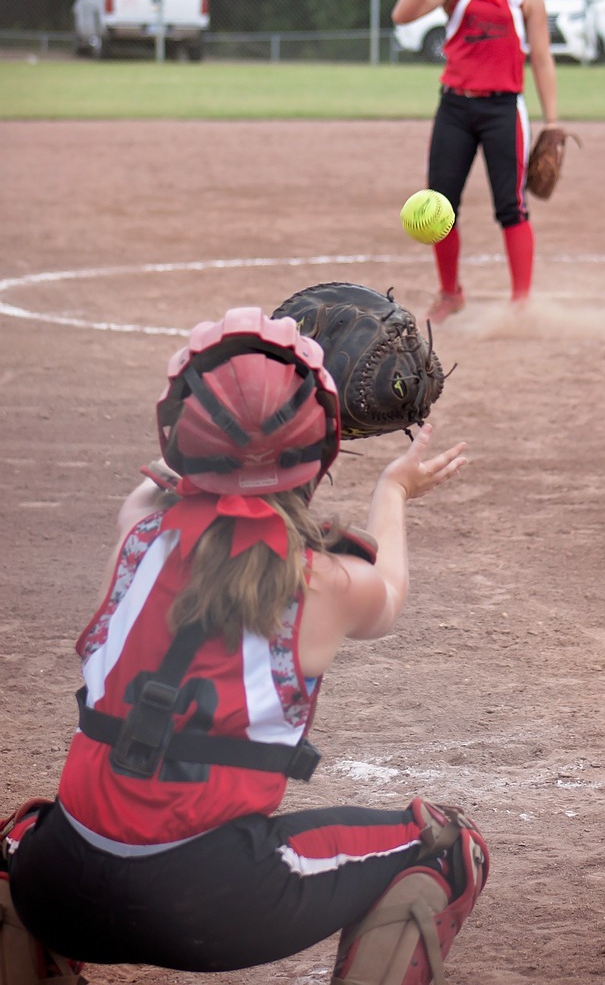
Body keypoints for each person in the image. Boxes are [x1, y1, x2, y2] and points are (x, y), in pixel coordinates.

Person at [7, 307, 488, 984]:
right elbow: (388, 591)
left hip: (62, 891)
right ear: (317, 451)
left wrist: (247, 390)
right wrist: (393, 486)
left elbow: (163, 479)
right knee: (445, 848)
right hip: (213, 907)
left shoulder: (137, 535)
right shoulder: (321, 580)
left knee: (18, 842)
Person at [391, 0, 561, 323]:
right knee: (439, 204)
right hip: (455, 106)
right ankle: (451, 294)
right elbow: (402, 15)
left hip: (503, 109)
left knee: (512, 206)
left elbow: (541, 59)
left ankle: (521, 302)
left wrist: (552, 121)